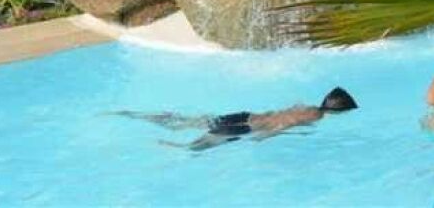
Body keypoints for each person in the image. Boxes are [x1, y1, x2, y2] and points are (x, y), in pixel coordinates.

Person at [110, 87, 358, 151]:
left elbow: (282, 114)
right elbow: (285, 123)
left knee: (185, 122)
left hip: (244, 115)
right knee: (192, 149)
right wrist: (264, 138)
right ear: (340, 111)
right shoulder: (316, 116)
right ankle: (160, 146)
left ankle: (135, 115)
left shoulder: (306, 104)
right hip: (246, 128)